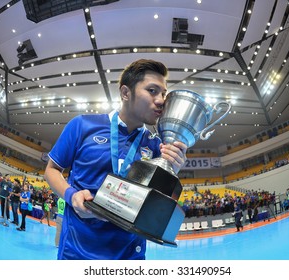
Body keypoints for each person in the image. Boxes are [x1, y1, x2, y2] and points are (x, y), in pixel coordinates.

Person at [44, 59, 187, 260]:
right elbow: (51, 169)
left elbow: (155, 207)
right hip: (78, 250)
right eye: (152, 91)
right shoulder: (83, 126)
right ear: (126, 93)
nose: (161, 100)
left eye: (163, 93)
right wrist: (71, 195)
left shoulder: (157, 147)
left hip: (129, 255)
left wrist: (172, 172)